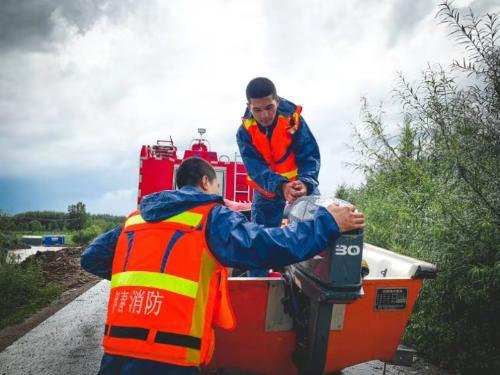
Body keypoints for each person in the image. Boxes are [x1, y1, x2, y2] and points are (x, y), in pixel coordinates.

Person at [81, 157, 364, 375]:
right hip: (169, 354)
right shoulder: (210, 216)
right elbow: (267, 247)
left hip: (117, 350)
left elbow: (92, 257)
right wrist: (328, 223)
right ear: (206, 182)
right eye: (217, 186)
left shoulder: (136, 219)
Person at [236, 77, 321, 276]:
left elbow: (310, 156)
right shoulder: (244, 133)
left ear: (277, 100)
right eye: (257, 110)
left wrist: (306, 183)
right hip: (267, 191)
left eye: (269, 107)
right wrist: (281, 186)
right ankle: (258, 291)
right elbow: (256, 170)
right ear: (249, 106)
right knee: (258, 242)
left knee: (316, 229)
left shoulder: (294, 121)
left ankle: (308, 283)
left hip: (300, 187)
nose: (264, 115)